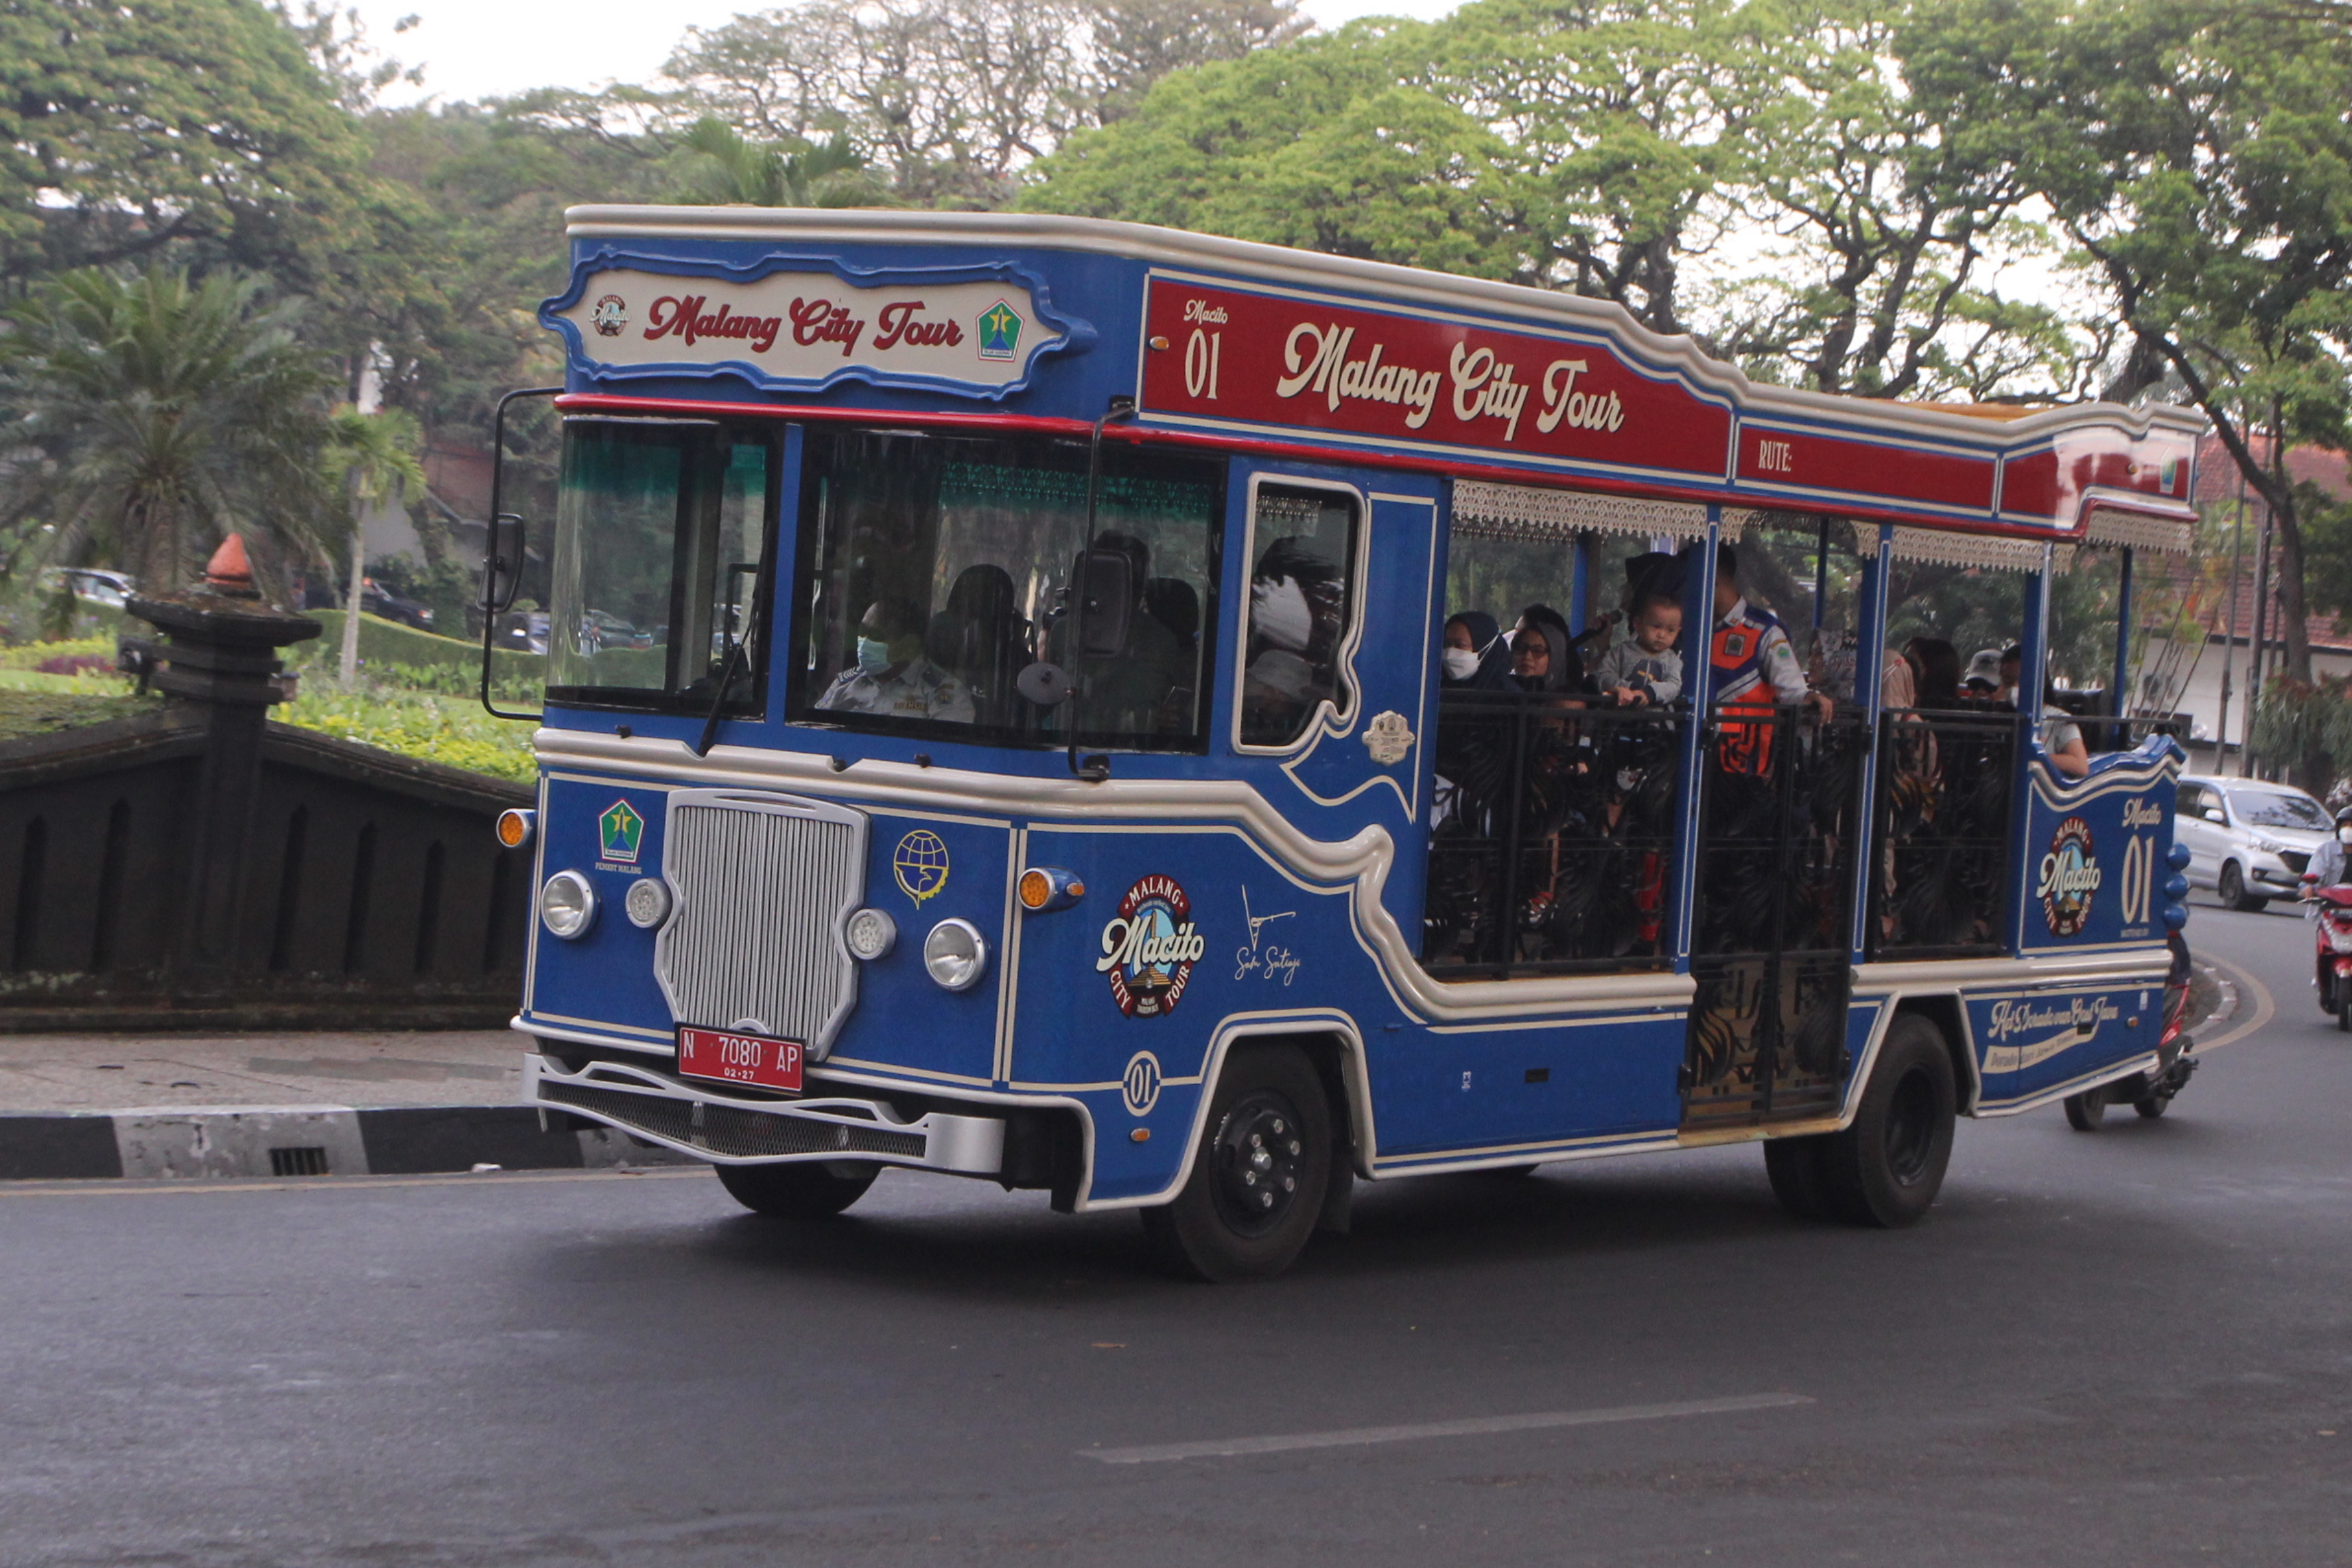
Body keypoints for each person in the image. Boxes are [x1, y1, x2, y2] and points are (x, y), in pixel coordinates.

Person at [816, 596, 975, 722]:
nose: (864, 641)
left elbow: (944, 755)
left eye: (876, 636)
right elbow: (813, 737)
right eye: (862, 632)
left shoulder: (943, 692)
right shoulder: (844, 685)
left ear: (908, 645)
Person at [1590, 591, 1684, 706]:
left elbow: (1673, 686)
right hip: (1619, 718)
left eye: (1670, 630)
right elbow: (1604, 674)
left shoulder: (1673, 661)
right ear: (1637, 624)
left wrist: (1649, 693)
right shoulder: (1621, 652)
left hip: (1655, 720)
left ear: (1678, 632)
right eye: (1656, 627)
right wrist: (1621, 688)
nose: (1662, 635)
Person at [1440, 611, 1513, 689]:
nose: (1449, 653)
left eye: (1460, 645)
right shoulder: (1435, 688)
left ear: (1486, 649)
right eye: (1446, 644)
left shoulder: (1507, 696)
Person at [2304, 807, 2352, 923]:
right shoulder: (2326, 850)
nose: (2349, 829)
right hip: (2331, 908)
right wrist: (2309, 887)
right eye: (2345, 825)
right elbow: (2315, 872)